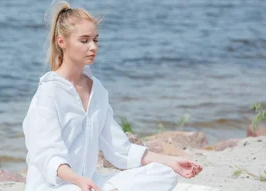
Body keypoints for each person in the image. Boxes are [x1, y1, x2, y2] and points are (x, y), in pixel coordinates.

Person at [22, 1, 203, 191]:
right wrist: (78, 180)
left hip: (91, 183)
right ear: (62, 42)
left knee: (162, 172)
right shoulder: (48, 93)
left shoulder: (97, 90)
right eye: (84, 41)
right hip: (57, 187)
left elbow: (120, 149)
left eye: (95, 39)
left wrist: (172, 162)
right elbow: (47, 155)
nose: (93, 47)